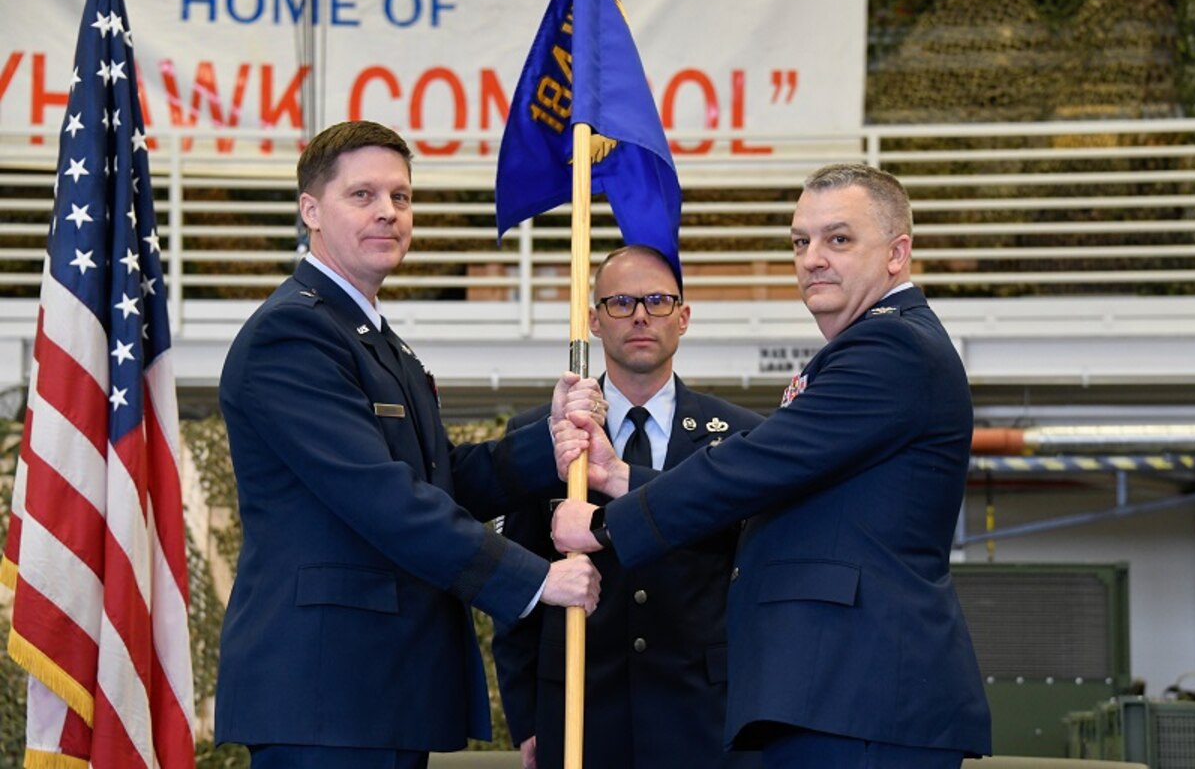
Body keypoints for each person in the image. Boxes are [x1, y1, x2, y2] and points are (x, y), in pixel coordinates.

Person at [550, 164, 992, 768]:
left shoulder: (893, 347)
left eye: (838, 239)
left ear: (897, 254)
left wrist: (605, 524)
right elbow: (772, 486)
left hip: (860, 693)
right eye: (800, 240)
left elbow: (753, 466)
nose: (812, 257)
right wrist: (619, 476)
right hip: (838, 694)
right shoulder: (872, 348)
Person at [215, 120, 602, 769]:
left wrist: (552, 443)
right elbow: (382, 496)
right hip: (326, 694)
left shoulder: (374, 338)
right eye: (362, 195)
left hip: (376, 690)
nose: (388, 212)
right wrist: (535, 580)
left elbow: (436, 475)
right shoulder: (293, 335)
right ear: (311, 210)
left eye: (400, 196)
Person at [492, 246, 764, 769]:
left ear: (683, 318)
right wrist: (527, 718)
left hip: (704, 715)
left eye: (658, 301)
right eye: (619, 302)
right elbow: (517, 584)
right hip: (579, 714)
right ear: (592, 319)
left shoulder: (740, 435)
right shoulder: (542, 436)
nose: (640, 315)